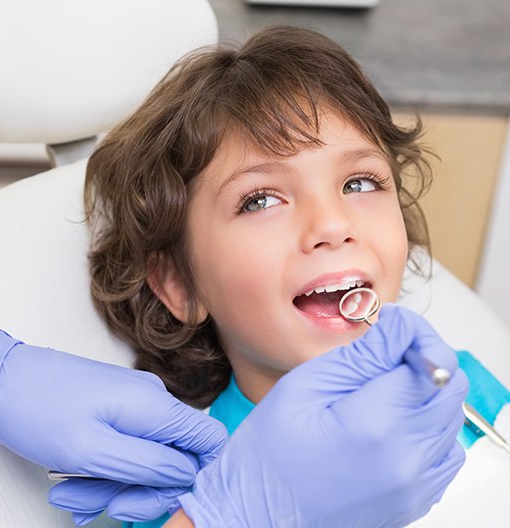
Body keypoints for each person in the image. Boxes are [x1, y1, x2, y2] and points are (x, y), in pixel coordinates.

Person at [48, 25, 469, 527]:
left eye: (360, 182)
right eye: (261, 200)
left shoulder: (459, 385)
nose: (334, 225)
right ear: (179, 285)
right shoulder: (190, 493)